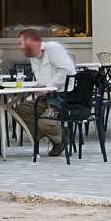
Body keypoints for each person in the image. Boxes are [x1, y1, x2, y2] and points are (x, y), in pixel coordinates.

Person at [17, 27, 70, 156]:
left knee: (44, 121)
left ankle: (60, 137)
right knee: (20, 110)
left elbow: (65, 72)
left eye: (21, 43)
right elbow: (42, 80)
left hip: (64, 96)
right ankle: (56, 136)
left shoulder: (53, 48)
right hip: (46, 97)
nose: (20, 47)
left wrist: (48, 87)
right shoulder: (33, 57)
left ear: (29, 41)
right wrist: (35, 88)